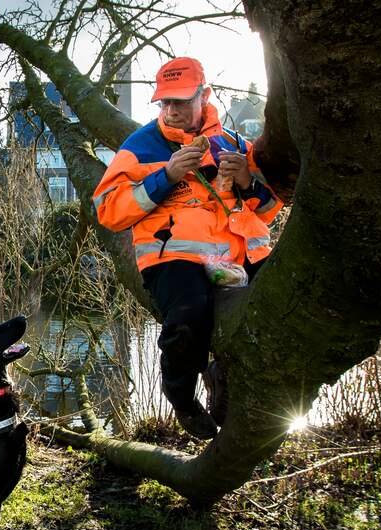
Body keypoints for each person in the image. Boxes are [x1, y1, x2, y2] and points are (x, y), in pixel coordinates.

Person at [92, 57, 282, 440]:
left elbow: (269, 210)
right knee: (189, 313)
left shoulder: (233, 143)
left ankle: (224, 382)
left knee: (273, 311)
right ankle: (180, 395)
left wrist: (246, 179)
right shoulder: (140, 146)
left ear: (204, 96)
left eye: (180, 101)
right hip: (172, 257)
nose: (172, 111)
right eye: (165, 103)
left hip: (237, 255)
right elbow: (108, 211)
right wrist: (167, 175)